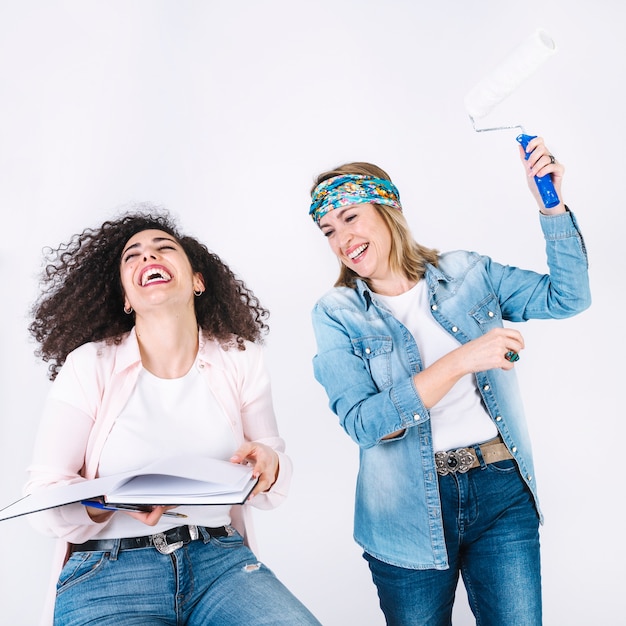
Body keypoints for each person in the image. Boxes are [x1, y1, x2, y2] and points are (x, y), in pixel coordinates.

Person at [308, 137, 591, 626]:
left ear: (387, 207)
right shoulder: (338, 314)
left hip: (501, 489)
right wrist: (461, 359)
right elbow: (365, 424)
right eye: (327, 229)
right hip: (404, 512)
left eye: (350, 217)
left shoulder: (467, 273)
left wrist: (551, 204)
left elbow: (568, 297)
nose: (341, 240)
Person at [25, 209, 321, 626]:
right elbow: (44, 496)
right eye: (134, 256)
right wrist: (110, 501)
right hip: (111, 570)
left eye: (164, 248)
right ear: (126, 298)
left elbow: (270, 469)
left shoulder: (241, 358)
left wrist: (270, 465)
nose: (149, 257)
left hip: (220, 564)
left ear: (197, 281)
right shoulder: (89, 365)